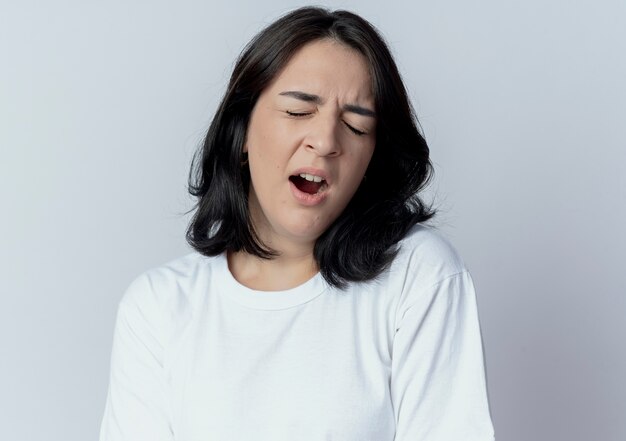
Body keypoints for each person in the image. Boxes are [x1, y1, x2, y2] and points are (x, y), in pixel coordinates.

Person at [99, 6, 495, 441]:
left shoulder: (417, 275)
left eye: (355, 125)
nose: (326, 141)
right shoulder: (157, 308)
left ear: (372, 159)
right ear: (242, 131)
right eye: (298, 111)